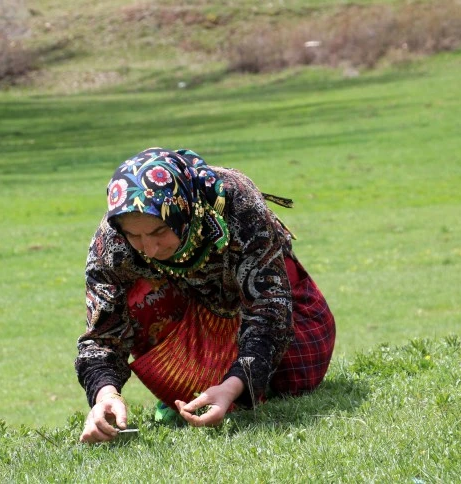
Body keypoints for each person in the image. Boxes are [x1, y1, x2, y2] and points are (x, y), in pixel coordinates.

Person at [75, 147, 336, 443]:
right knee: (136, 296)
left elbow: (268, 307)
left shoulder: (235, 203)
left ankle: (228, 385)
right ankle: (191, 386)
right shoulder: (112, 241)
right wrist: (104, 394)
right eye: (135, 236)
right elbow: (102, 334)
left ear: (183, 211)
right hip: (195, 319)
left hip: (269, 316)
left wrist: (233, 387)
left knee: (296, 378)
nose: (148, 249)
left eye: (159, 231)